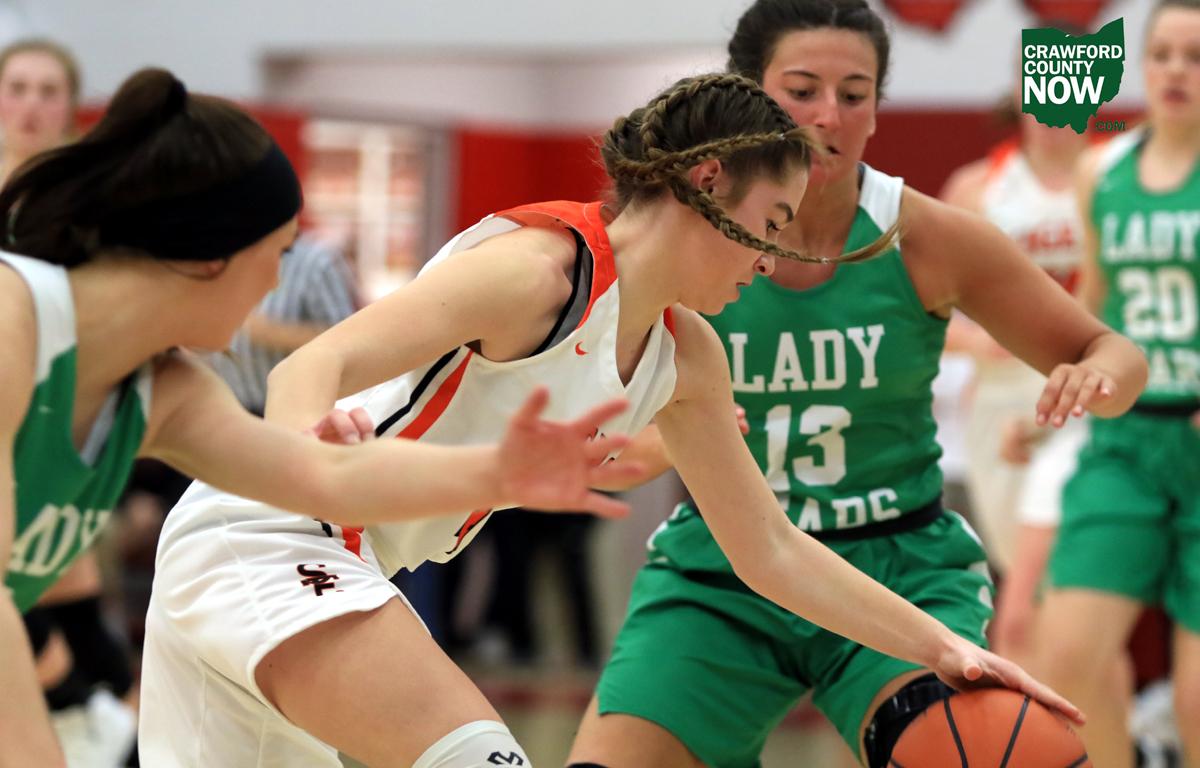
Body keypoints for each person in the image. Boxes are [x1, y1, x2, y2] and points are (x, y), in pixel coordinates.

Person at [142, 70, 1085, 768]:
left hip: (336, 560)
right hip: (270, 535)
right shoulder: (540, 273)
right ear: (707, 181)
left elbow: (771, 550)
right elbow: (315, 361)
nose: (775, 256)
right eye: (773, 219)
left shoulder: (687, 356)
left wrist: (945, 646)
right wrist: (308, 450)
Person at [0, 66, 637, 768]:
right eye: (277, 254)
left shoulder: (166, 392)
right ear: (215, 256)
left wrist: (495, 472)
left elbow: (321, 478)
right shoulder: (13, 323)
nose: (280, 281)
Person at [566, 4, 1149, 768]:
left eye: (854, 93)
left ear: (877, 108)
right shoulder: (683, 233)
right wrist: (637, 448)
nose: (828, 116)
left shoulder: (927, 235)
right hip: (724, 567)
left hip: (896, 568)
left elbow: (1113, 350)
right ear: (749, 96)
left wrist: (1100, 375)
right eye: (802, 90)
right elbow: (604, 429)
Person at [1038, 1, 1200, 765]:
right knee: (1065, 657)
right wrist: (1046, 399)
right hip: (1126, 439)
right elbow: (1092, 305)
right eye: (1162, 53)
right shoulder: (1102, 170)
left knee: (1197, 702)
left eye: (1195, 56)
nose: (1176, 70)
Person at [0, 38, 141, 768]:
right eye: (17, 87)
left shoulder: (88, 206)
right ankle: (87, 710)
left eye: (47, 90)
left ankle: (99, 714)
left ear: (70, 106)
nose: (31, 104)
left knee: (64, 579)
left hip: (64, 409)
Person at [939, 84, 1090, 662]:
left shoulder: (1113, 178)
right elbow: (914, 305)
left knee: (1059, 597)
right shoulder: (978, 188)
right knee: (1024, 583)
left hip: (1087, 399)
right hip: (1001, 405)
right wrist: (976, 341)